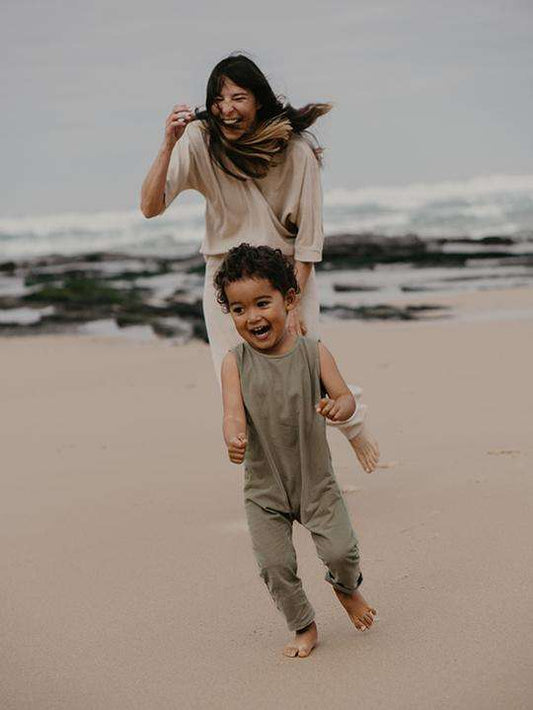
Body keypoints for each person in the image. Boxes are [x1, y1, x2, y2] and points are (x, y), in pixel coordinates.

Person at [140, 52, 379, 473]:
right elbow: (150, 206)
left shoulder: (297, 152)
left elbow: (308, 241)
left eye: (238, 97)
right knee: (238, 386)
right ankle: (272, 484)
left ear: (259, 100)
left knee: (306, 378)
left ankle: (352, 428)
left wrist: (292, 302)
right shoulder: (200, 142)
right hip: (225, 281)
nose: (226, 109)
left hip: (285, 279)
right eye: (218, 99)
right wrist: (168, 143)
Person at [216, 244, 377, 658]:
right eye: (238, 309)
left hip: (315, 482)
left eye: (262, 303)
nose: (252, 317)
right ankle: (303, 625)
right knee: (275, 566)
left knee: (342, 552)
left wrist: (336, 406)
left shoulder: (313, 352)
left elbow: (345, 398)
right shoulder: (234, 363)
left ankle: (346, 589)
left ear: (290, 300)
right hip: (264, 488)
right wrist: (233, 437)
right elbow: (232, 414)